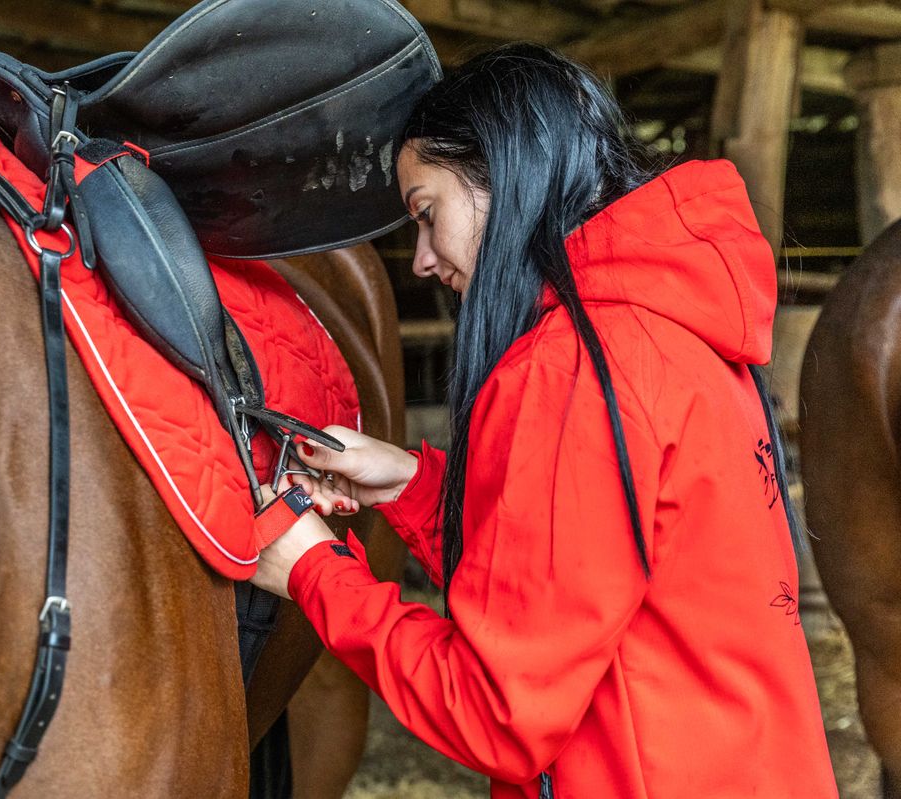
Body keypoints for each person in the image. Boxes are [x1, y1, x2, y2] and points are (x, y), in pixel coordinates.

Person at [249, 43, 838, 798]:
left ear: (508, 175)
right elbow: (578, 570)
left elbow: (495, 711)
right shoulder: (675, 327)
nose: (423, 259)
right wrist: (410, 483)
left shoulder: (571, 369)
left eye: (429, 216)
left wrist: (312, 568)